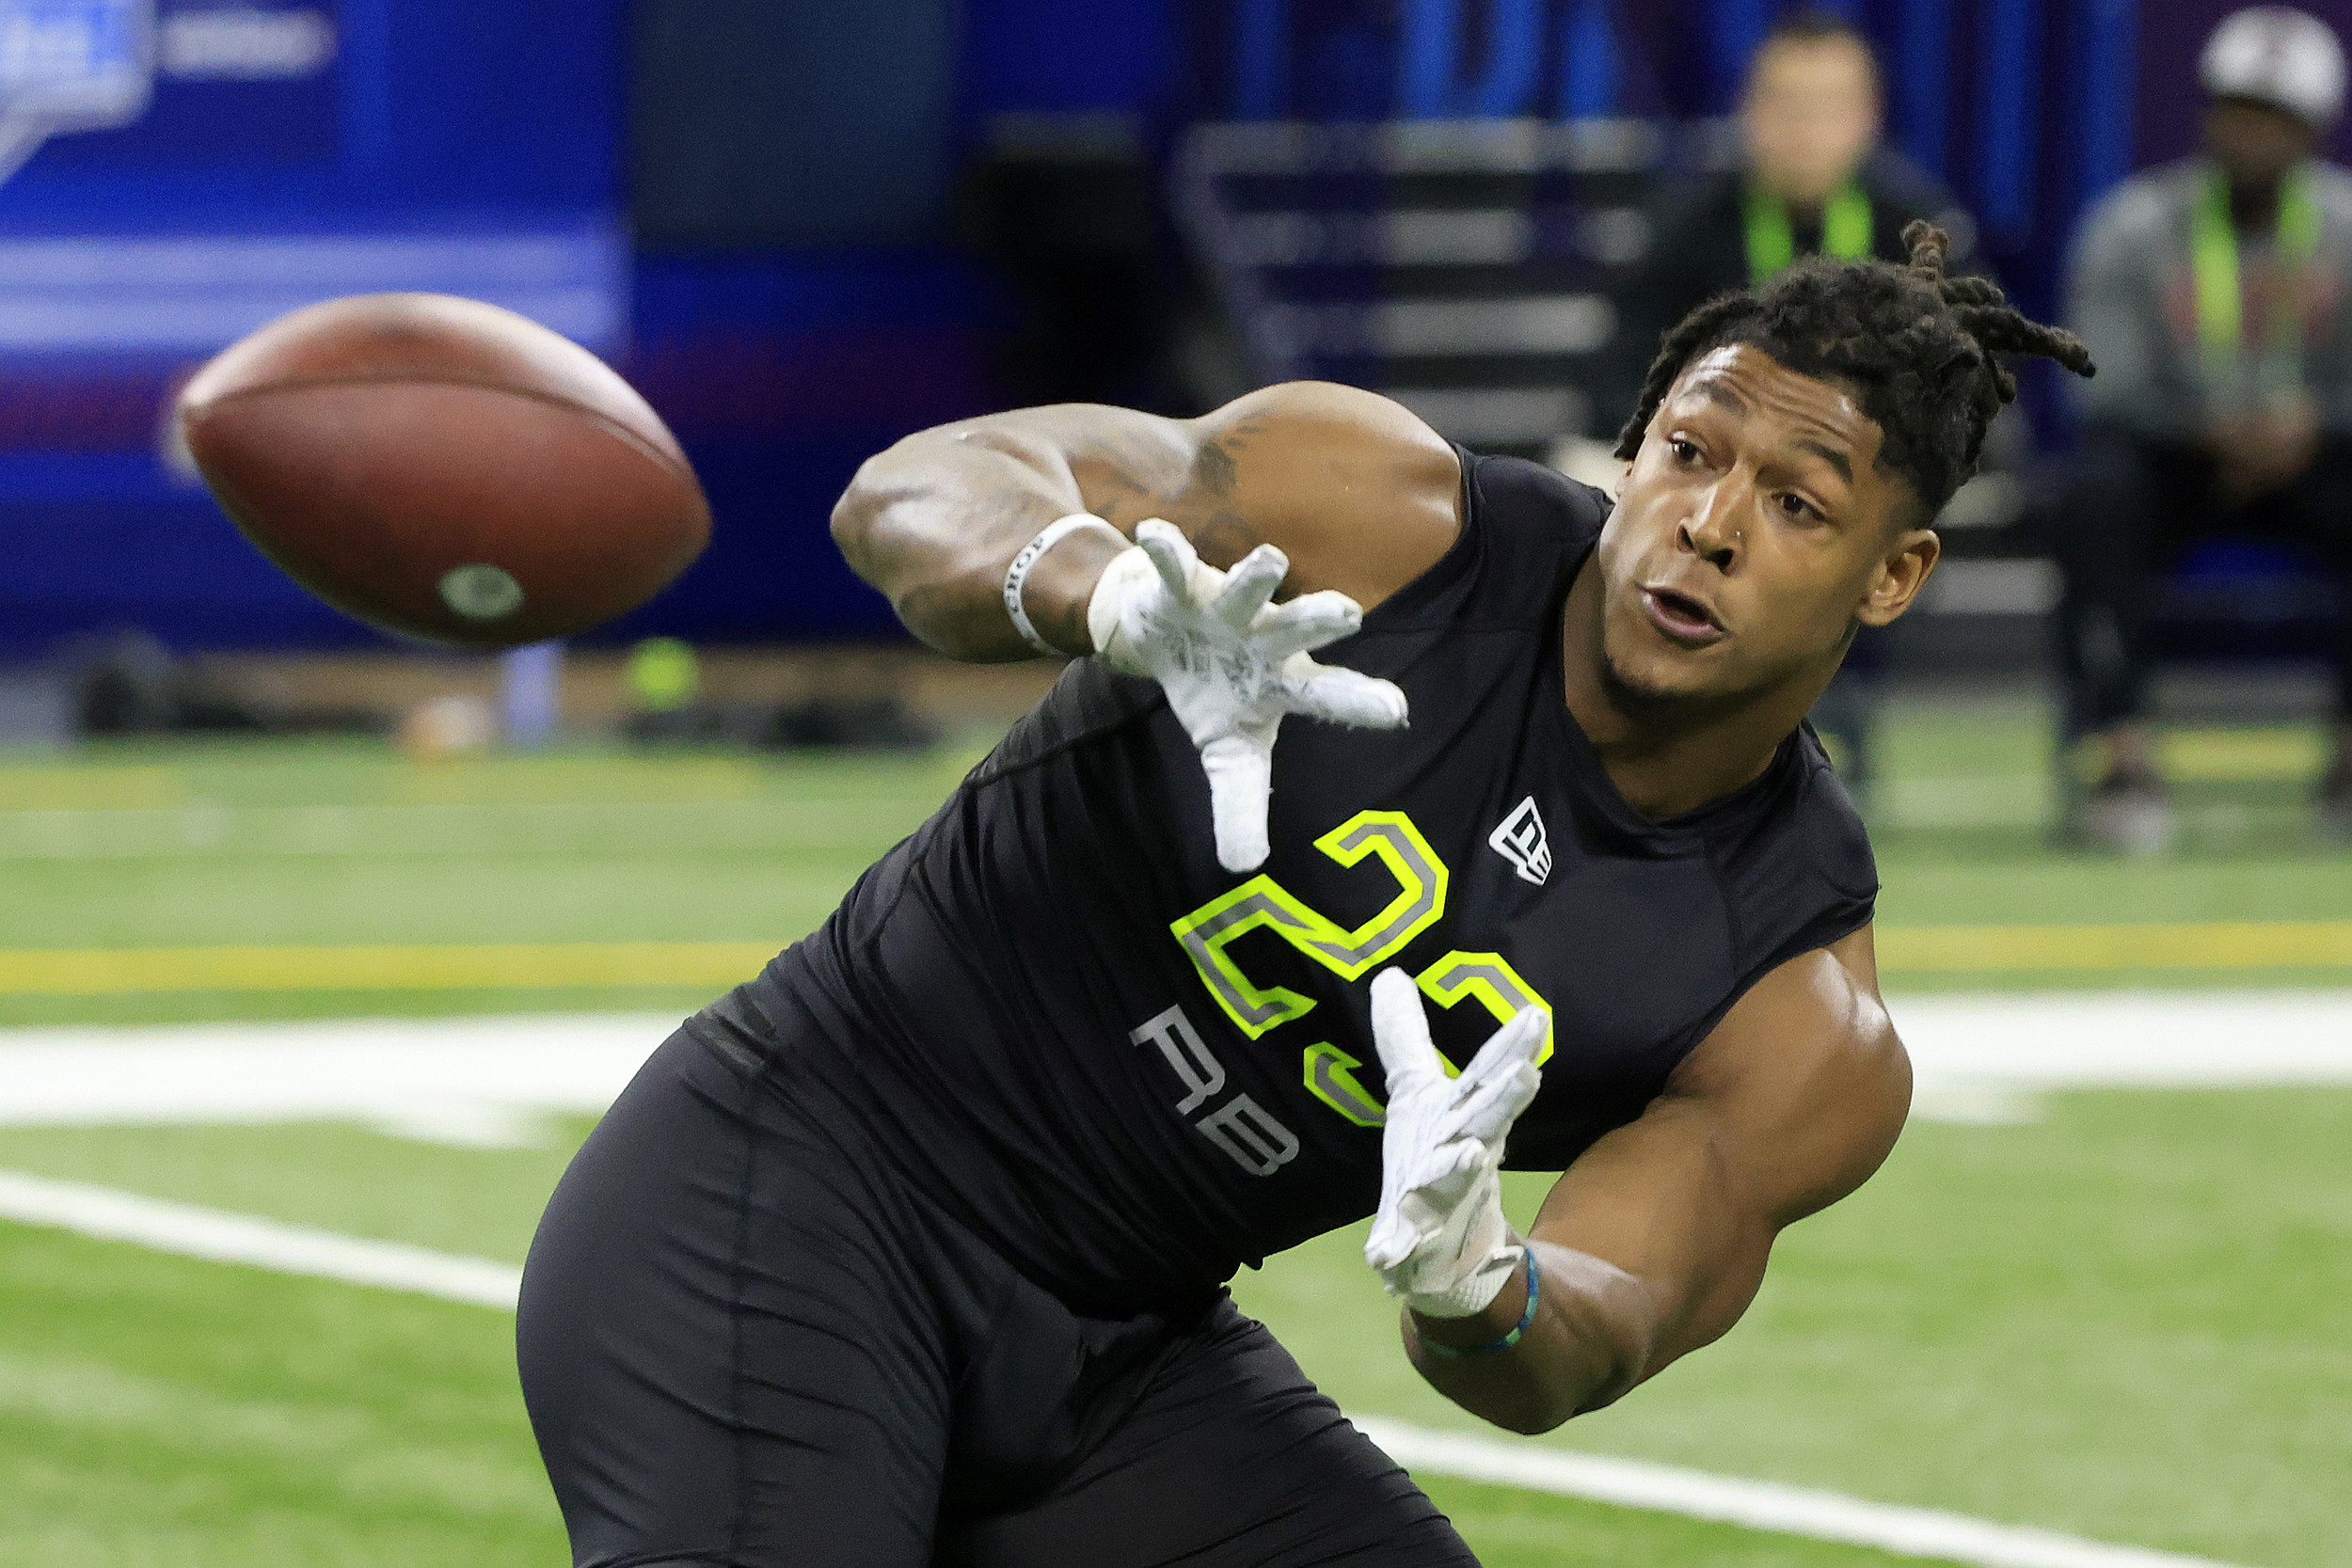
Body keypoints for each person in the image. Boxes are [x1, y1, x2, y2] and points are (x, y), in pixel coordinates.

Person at [515, 226, 2090, 1568]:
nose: (1712, 525)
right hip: (799, 1178)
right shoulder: (1383, 529)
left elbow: (1604, 1315)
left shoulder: (1793, 999)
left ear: (1895, 575)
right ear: (1633, 448)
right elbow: (921, 489)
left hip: (1113, 1352)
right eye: (1688, 453)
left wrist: (1485, 1282)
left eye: (1801, 506)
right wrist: (1102, 589)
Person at [1590, 9, 1984, 798]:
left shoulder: (1922, 231)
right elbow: (1615, 377)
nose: (1805, 130)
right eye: (1786, 106)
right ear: (1750, 113)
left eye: (1827, 107)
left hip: (1847, 480)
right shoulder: (1684, 226)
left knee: (1865, 511)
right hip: (1699, 465)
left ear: (1867, 120)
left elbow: (1967, 389)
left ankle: (1844, 716)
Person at [2051, 6, 2352, 850]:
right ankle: (2120, 757)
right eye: (2239, 112)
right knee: (2095, 492)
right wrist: (2205, 428)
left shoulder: (2344, 232)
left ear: (2313, 131)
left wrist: (2314, 423)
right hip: (2177, 462)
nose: (2252, 136)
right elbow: (2096, 379)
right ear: (2209, 115)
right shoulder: (2133, 227)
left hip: (2315, 460)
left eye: (2276, 119)